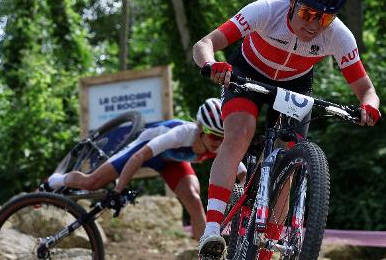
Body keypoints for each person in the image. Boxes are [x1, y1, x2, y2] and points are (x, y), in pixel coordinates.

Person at [192, 0, 381, 260]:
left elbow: (366, 90)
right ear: (292, 0)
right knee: (239, 133)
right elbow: (204, 44)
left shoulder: (338, 36)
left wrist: (369, 107)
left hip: (295, 86)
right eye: (309, 14)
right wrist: (211, 65)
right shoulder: (266, 10)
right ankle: (211, 233)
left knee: (288, 165)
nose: (315, 25)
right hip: (247, 74)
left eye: (325, 18)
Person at [47, 98, 247, 240]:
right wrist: (118, 190)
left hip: (171, 162)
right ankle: (56, 180)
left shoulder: (219, 144)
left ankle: (204, 254)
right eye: (214, 136)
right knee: (92, 182)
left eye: (223, 138)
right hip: (142, 151)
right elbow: (139, 156)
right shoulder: (181, 133)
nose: (218, 142)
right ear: (201, 129)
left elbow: (241, 172)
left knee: (194, 199)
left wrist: (241, 197)